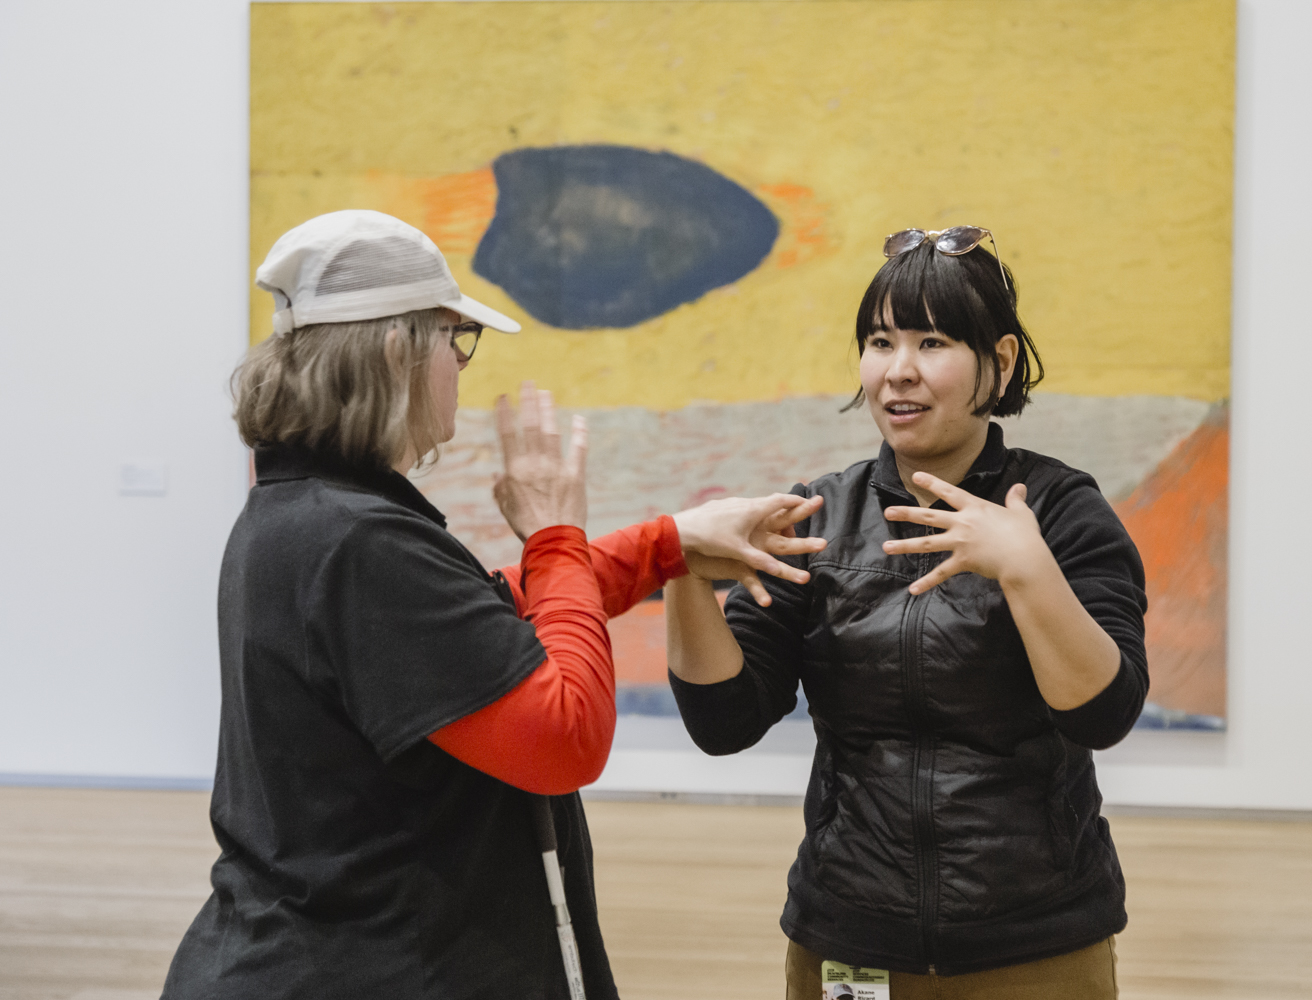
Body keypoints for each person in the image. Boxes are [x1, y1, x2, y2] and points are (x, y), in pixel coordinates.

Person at [161, 210, 822, 999]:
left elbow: (481, 624)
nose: (462, 366)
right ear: (398, 351)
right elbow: (564, 737)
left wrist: (666, 543)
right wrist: (554, 531)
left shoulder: (303, 514)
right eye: (455, 340)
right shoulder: (356, 542)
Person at [666, 227, 1149, 999]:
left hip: (1036, 937)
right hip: (850, 935)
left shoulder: (1061, 511)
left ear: (1002, 360)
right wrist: (680, 569)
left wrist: (1025, 570)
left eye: (932, 342)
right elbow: (727, 722)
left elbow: (1104, 713)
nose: (898, 372)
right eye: (879, 341)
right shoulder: (821, 514)